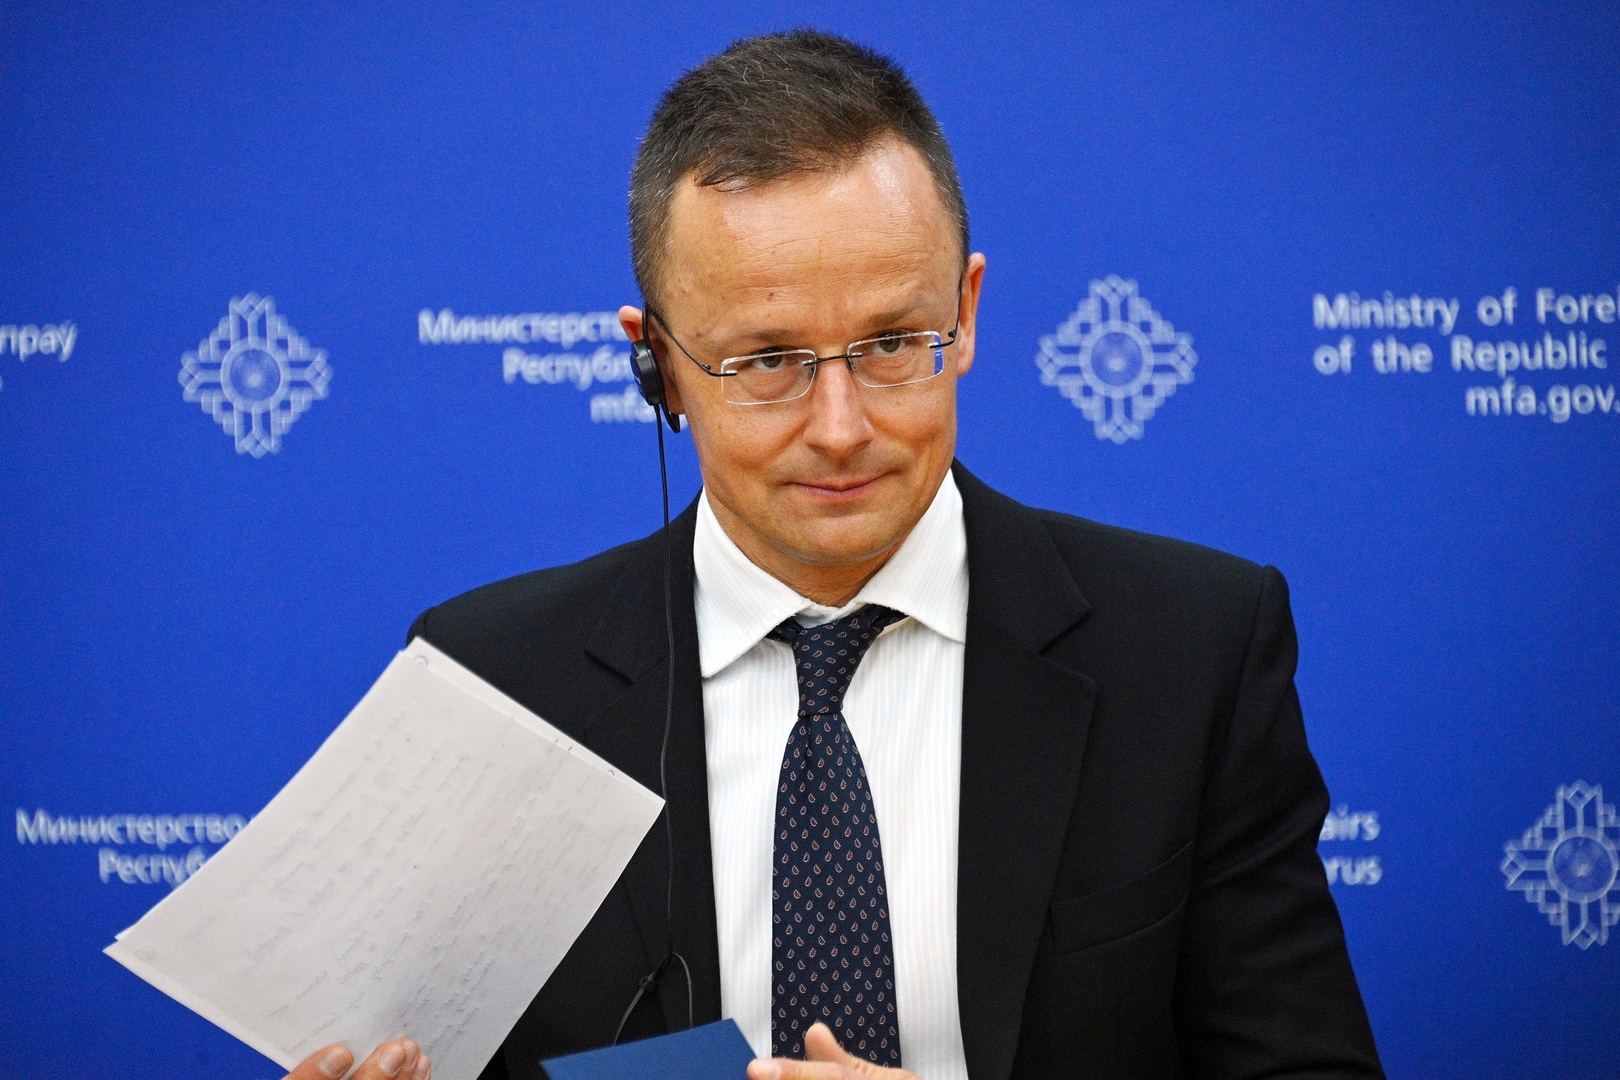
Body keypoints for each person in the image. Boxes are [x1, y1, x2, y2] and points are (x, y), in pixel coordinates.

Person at [284, 30, 1383, 1080]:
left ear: (966, 313)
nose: (843, 427)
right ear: (656, 365)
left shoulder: (1192, 652)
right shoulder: (490, 683)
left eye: (893, 342)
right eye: (767, 361)